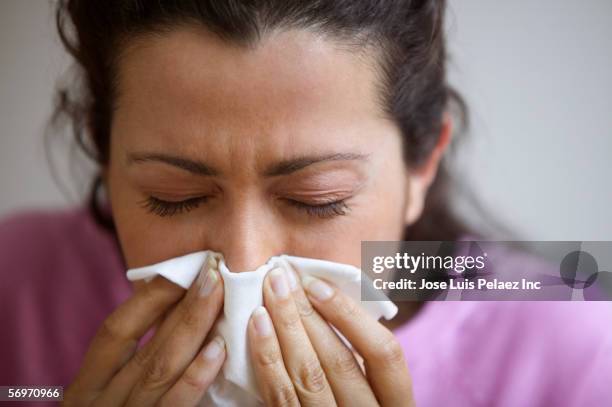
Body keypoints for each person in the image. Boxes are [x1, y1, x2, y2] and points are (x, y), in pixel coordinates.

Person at [0, 1, 610, 406]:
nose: (241, 262)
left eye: (316, 199)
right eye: (173, 198)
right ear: (105, 157)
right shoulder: (17, 283)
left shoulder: (579, 335)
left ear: (423, 161)